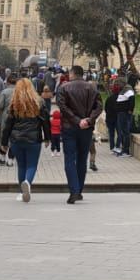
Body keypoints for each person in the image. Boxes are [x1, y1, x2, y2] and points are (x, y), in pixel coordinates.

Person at [0, 78, 51, 203]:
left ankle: (22, 193)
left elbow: (7, 125)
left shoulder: (14, 103)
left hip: (16, 140)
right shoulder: (39, 102)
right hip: (34, 139)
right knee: (32, 165)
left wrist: (4, 143)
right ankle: (28, 182)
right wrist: (47, 138)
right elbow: (45, 121)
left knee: (21, 166)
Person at [56, 65, 102, 204]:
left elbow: (62, 107)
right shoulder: (92, 88)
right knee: (82, 159)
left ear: (72, 73)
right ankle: (79, 190)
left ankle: (74, 190)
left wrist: (76, 120)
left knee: (69, 159)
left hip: (69, 127)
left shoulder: (64, 88)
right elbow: (99, 106)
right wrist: (89, 120)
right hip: (86, 128)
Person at [0, 74, 18, 166]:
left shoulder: (4, 92)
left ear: (7, 82)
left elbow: (0, 106)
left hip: (5, 116)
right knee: (14, 137)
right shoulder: (19, 92)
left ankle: (2, 157)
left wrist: (1, 115)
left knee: (3, 136)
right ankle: (11, 159)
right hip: (16, 117)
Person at [113, 77, 136, 158]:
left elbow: (132, 100)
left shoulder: (128, 90)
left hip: (124, 114)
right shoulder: (123, 90)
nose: (118, 86)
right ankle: (123, 149)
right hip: (121, 113)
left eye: (118, 84)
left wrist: (130, 110)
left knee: (125, 132)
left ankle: (126, 151)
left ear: (122, 83)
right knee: (122, 132)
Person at [104, 80, 120, 153]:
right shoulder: (120, 98)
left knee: (111, 134)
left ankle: (112, 148)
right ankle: (117, 146)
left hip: (110, 118)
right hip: (117, 118)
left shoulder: (109, 98)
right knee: (120, 133)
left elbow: (106, 108)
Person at [46, 88, 62, 157]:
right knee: (58, 143)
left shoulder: (51, 121)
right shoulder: (60, 121)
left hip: (52, 134)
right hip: (58, 134)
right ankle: (58, 151)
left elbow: (49, 126)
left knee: (53, 143)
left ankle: (52, 151)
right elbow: (61, 127)